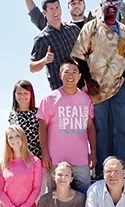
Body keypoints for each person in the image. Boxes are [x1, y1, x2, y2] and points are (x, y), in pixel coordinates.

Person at [71, 0, 125, 177]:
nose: (112, 4)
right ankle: (102, 172)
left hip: (119, 89)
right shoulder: (90, 28)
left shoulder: (124, 31)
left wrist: (124, 76)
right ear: (101, 5)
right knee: (101, 131)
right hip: (96, 89)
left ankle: (121, 171)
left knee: (122, 129)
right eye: (107, 1)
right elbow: (78, 55)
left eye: (115, 1)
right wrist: (88, 79)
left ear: (119, 6)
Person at [37, 60, 96, 194]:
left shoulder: (85, 99)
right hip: (55, 161)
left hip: (81, 161)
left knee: (83, 200)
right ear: (60, 75)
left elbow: (90, 127)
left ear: (80, 76)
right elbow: (42, 127)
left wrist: (93, 153)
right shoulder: (50, 99)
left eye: (74, 72)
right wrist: (45, 154)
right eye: (66, 72)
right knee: (55, 200)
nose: (70, 76)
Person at [29, 0, 81, 91]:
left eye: (57, 7)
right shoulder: (42, 39)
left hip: (80, 87)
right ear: (44, 13)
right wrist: (44, 60)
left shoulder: (74, 29)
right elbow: (32, 67)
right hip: (59, 89)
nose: (55, 11)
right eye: (51, 9)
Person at [8, 80, 41, 159]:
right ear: (15, 95)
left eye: (25, 93)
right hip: (19, 159)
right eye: (19, 93)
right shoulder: (12, 115)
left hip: (37, 158)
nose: (22, 96)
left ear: (31, 95)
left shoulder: (39, 113)